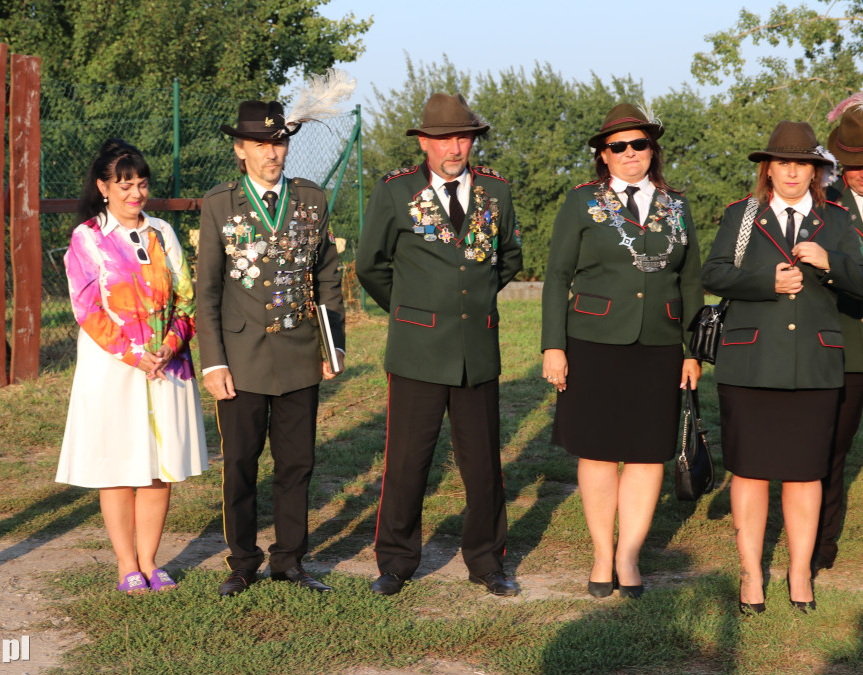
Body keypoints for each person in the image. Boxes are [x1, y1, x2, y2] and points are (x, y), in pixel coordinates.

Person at [357, 93, 523, 597]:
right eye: (445, 138)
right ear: (425, 143)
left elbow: (509, 256)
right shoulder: (395, 192)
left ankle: (487, 562)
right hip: (417, 351)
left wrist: (469, 306)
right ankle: (397, 561)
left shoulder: (495, 190)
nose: (456, 147)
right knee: (408, 462)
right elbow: (371, 266)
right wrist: (411, 311)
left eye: (464, 136)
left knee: (483, 464)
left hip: (477, 349)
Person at [542, 103, 703, 599]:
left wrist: (692, 350)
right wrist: (553, 346)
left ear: (652, 151)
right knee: (597, 451)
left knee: (646, 453)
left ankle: (629, 556)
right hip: (592, 342)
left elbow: (691, 279)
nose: (631, 153)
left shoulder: (676, 205)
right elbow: (556, 276)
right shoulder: (582, 203)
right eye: (619, 146)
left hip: (659, 344)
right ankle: (600, 554)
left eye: (640, 144)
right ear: (603, 156)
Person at [702, 120, 863, 614]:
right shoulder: (741, 215)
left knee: (805, 474)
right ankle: (751, 575)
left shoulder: (836, 219)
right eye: (783, 163)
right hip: (749, 363)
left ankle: (799, 574)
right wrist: (763, 281)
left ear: (814, 170)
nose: (792, 172)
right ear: (768, 169)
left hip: (815, 365)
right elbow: (714, 273)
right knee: (748, 472)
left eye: (802, 164)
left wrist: (830, 261)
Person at [197, 100, 345, 596]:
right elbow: (209, 290)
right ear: (240, 150)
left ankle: (289, 560)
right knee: (240, 463)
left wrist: (332, 345)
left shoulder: (311, 199)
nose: (272, 154)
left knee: (297, 463)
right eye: (260, 144)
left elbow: (326, 275)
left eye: (279, 143)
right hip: (240, 361)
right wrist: (213, 361)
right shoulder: (219, 203)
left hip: (300, 352)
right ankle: (242, 561)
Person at [57, 139, 208, 594]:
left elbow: (186, 296)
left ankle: (151, 560)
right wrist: (132, 353)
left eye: (141, 184)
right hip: (114, 370)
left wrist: (169, 344)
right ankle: (126, 565)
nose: (134, 194)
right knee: (120, 466)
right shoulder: (87, 237)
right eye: (124, 185)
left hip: (166, 366)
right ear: (103, 187)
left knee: (159, 467)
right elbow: (87, 309)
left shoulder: (162, 231)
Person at [814, 96, 863, 575]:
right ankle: (821, 544)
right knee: (832, 450)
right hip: (848, 348)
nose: (862, 172)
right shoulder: (826, 209)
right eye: (853, 164)